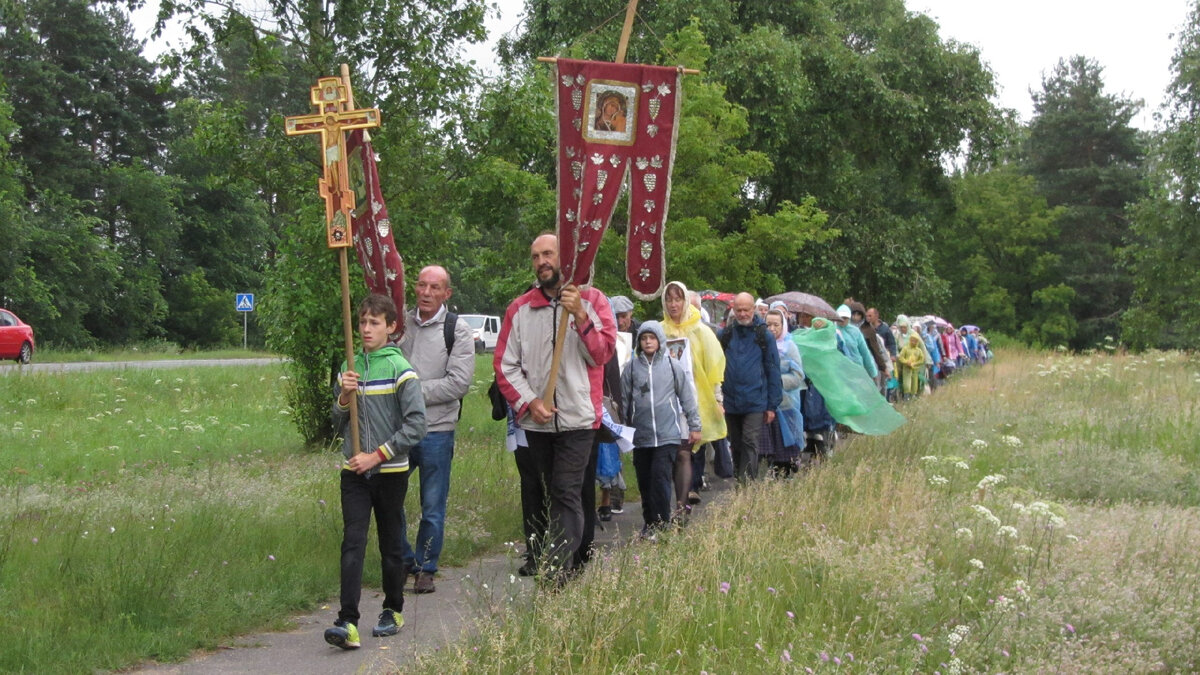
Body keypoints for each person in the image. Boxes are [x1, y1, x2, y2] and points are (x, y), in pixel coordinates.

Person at [494, 233, 616, 580]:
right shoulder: (520, 308)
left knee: (565, 489)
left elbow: (603, 354)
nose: (541, 262)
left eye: (548, 254)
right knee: (554, 492)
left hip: (578, 418)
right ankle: (571, 563)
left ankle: (557, 570)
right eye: (535, 257)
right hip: (538, 422)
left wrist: (579, 315)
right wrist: (529, 402)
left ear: (565, 257)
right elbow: (505, 365)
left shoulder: (593, 300)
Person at [325, 294, 427, 650]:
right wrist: (342, 398)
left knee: (390, 544)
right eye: (363, 323)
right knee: (352, 542)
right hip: (352, 470)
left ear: (391, 327)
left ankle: (392, 609)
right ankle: (347, 621)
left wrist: (377, 456)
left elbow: (417, 426)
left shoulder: (401, 370)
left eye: (374, 323)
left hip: (390, 471)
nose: (366, 329)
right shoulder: (348, 366)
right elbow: (336, 423)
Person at [396, 266, 474, 594]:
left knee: (432, 505)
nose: (426, 292)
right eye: (422, 285)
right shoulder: (399, 324)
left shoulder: (457, 330)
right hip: (398, 430)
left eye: (435, 287)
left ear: (447, 293)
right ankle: (401, 560)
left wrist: (408, 391)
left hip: (436, 431)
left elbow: (458, 383)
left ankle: (426, 568)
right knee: (389, 498)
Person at [621, 321, 701, 534]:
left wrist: (695, 425)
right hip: (642, 436)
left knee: (660, 478)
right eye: (644, 338)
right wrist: (622, 428)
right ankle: (649, 523)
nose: (648, 342)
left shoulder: (672, 366)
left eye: (652, 338)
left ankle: (663, 523)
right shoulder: (631, 368)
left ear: (660, 341)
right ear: (639, 342)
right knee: (645, 481)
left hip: (667, 436)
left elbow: (686, 397)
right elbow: (624, 400)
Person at [661, 281, 726, 517]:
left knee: (684, 452)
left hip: (693, 402)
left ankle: (681, 504)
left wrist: (717, 400)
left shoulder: (701, 331)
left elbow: (714, 367)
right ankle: (672, 499)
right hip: (665, 403)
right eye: (669, 299)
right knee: (668, 453)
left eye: (678, 299)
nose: (673, 304)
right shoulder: (659, 331)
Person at [718, 293, 782, 482]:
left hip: (755, 400)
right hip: (731, 400)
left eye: (746, 309)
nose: (743, 314)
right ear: (733, 310)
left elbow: (773, 369)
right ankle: (741, 480)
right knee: (736, 444)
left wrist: (772, 405)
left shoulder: (764, 336)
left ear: (753, 309)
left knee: (750, 442)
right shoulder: (725, 335)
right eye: (739, 310)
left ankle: (747, 485)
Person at [761, 305, 805, 476]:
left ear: (783, 325)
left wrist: (777, 382)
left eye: (776, 325)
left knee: (785, 448)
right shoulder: (761, 345)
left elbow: (798, 375)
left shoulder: (789, 347)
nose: (772, 329)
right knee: (768, 447)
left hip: (786, 405)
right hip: (765, 404)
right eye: (769, 325)